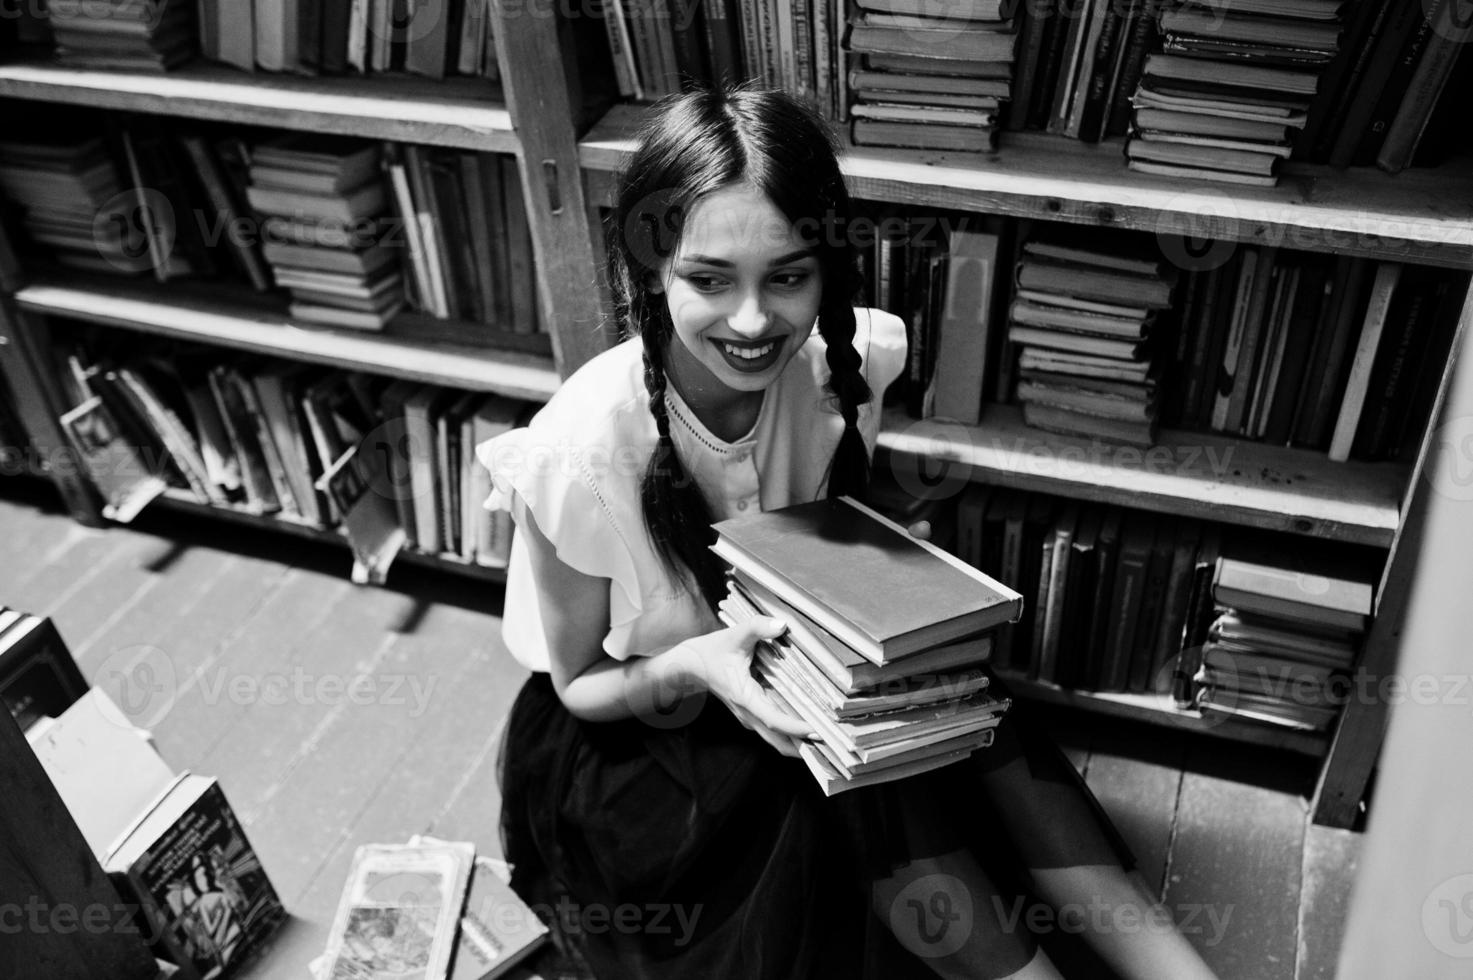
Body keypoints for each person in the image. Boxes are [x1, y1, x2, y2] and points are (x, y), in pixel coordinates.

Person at [478, 84, 1219, 980]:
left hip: (817, 667)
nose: (753, 323)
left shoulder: (846, 360)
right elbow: (579, 686)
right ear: (650, 270)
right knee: (871, 789)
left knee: (982, 724)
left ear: (826, 270)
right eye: (708, 280)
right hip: (656, 728)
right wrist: (704, 666)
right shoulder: (576, 453)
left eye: (787, 276)